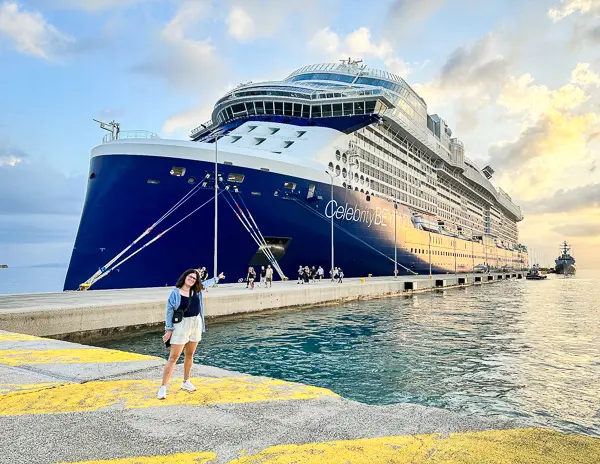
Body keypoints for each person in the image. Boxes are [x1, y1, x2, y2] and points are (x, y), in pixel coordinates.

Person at [158, 268, 224, 399]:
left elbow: (207, 283)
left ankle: (186, 382)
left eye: (194, 278)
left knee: (189, 354)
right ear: (185, 277)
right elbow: (169, 312)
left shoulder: (197, 290)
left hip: (196, 323)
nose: (192, 279)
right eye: (190, 277)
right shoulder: (175, 293)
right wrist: (169, 329)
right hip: (181, 325)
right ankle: (163, 387)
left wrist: (218, 278)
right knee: (173, 357)